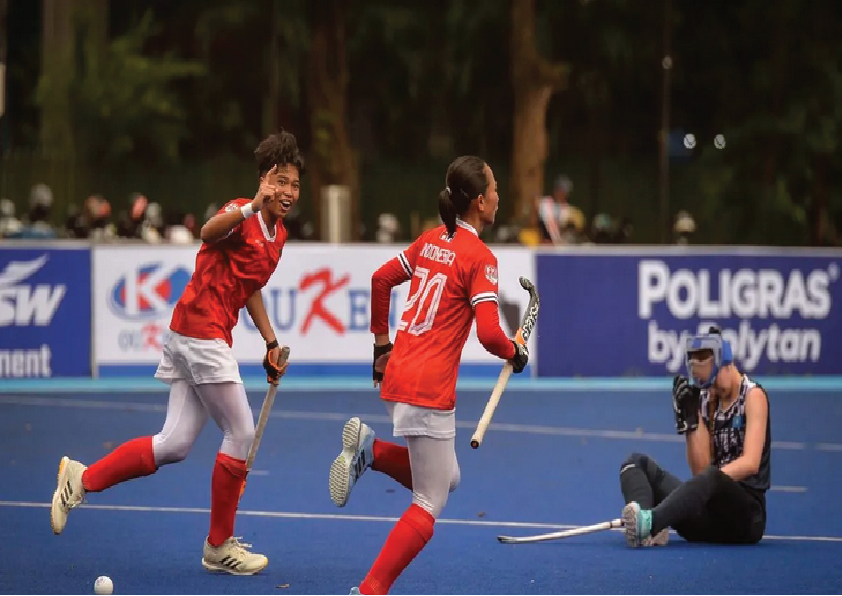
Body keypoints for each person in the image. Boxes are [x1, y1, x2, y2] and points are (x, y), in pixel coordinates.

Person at [49, 130, 305, 575]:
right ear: (265, 180)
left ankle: (80, 479)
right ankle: (219, 544)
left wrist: (269, 341)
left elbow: (251, 289)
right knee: (241, 432)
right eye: (280, 181)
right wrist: (249, 205)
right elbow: (207, 233)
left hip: (200, 335)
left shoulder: (278, 235)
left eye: (294, 185)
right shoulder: (238, 212)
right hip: (200, 332)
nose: (287, 192)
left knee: (174, 445)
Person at [328, 156, 529, 595]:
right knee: (430, 500)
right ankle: (370, 590)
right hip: (429, 389)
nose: (499, 195)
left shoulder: (430, 240)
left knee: (447, 477)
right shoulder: (480, 257)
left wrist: (382, 348)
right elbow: (491, 335)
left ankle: (371, 451)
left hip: (398, 376)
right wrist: (515, 351)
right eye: (494, 188)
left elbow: (381, 280)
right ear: (480, 201)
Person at [619, 326, 772, 547]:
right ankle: (648, 525)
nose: (712, 391)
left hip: (745, 520)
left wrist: (713, 480)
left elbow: (751, 463)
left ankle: (651, 522)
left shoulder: (753, 396)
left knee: (713, 476)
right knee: (635, 463)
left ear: (727, 365)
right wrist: (690, 423)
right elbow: (699, 471)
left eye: (715, 383)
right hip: (709, 517)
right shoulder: (707, 398)